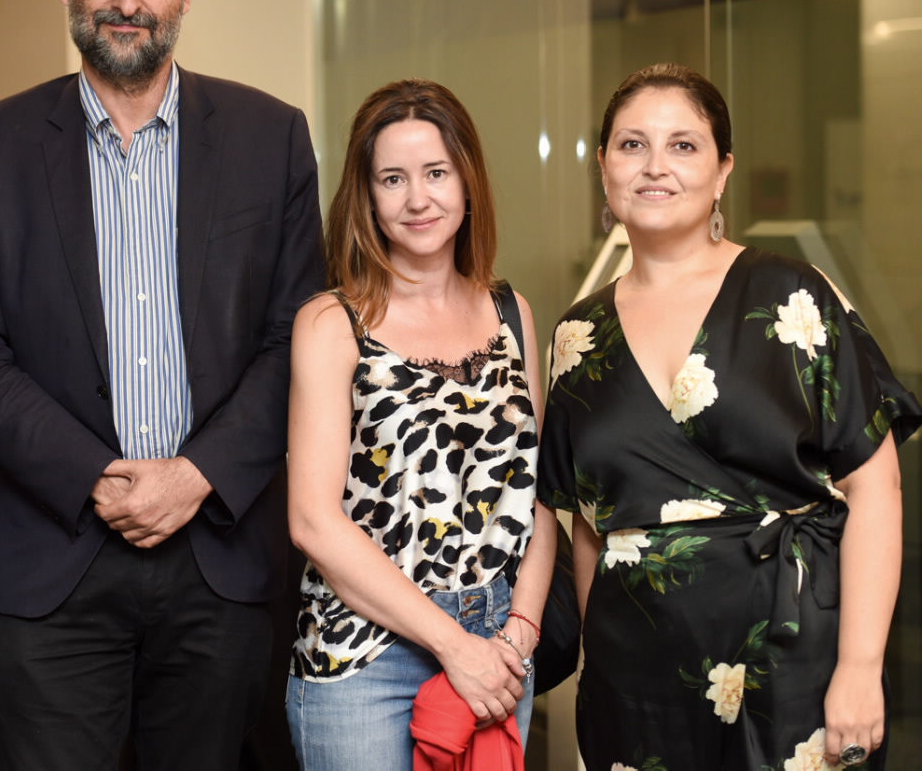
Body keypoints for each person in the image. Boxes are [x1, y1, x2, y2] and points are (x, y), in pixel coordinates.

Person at [0, 0, 325, 771]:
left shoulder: (270, 138)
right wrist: (95, 480)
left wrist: (196, 475)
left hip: (218, 552)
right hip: (56, 554)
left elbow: (297, 338)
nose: (128, 0)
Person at [538, 63, 921, 770]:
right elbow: (588, 527)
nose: (655, 165)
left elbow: (876, 487)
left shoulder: (793, 295)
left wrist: (861, 667)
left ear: (722, 172)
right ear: (604, 168)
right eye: (632, 144)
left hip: (795, 661)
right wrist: (596, 667)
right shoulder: (576, 336)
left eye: (683, 145)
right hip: (635, 683)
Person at [286, 78, 557, 768]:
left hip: (499, 644)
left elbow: (540, 496)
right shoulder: (331, 323)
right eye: (393, 179)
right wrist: (452, 644)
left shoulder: (511, 312)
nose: (417, 199)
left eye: (436, 173)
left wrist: (519, 632)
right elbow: (313, 521)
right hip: (364, 655)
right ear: (367, 197)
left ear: (467, 183)